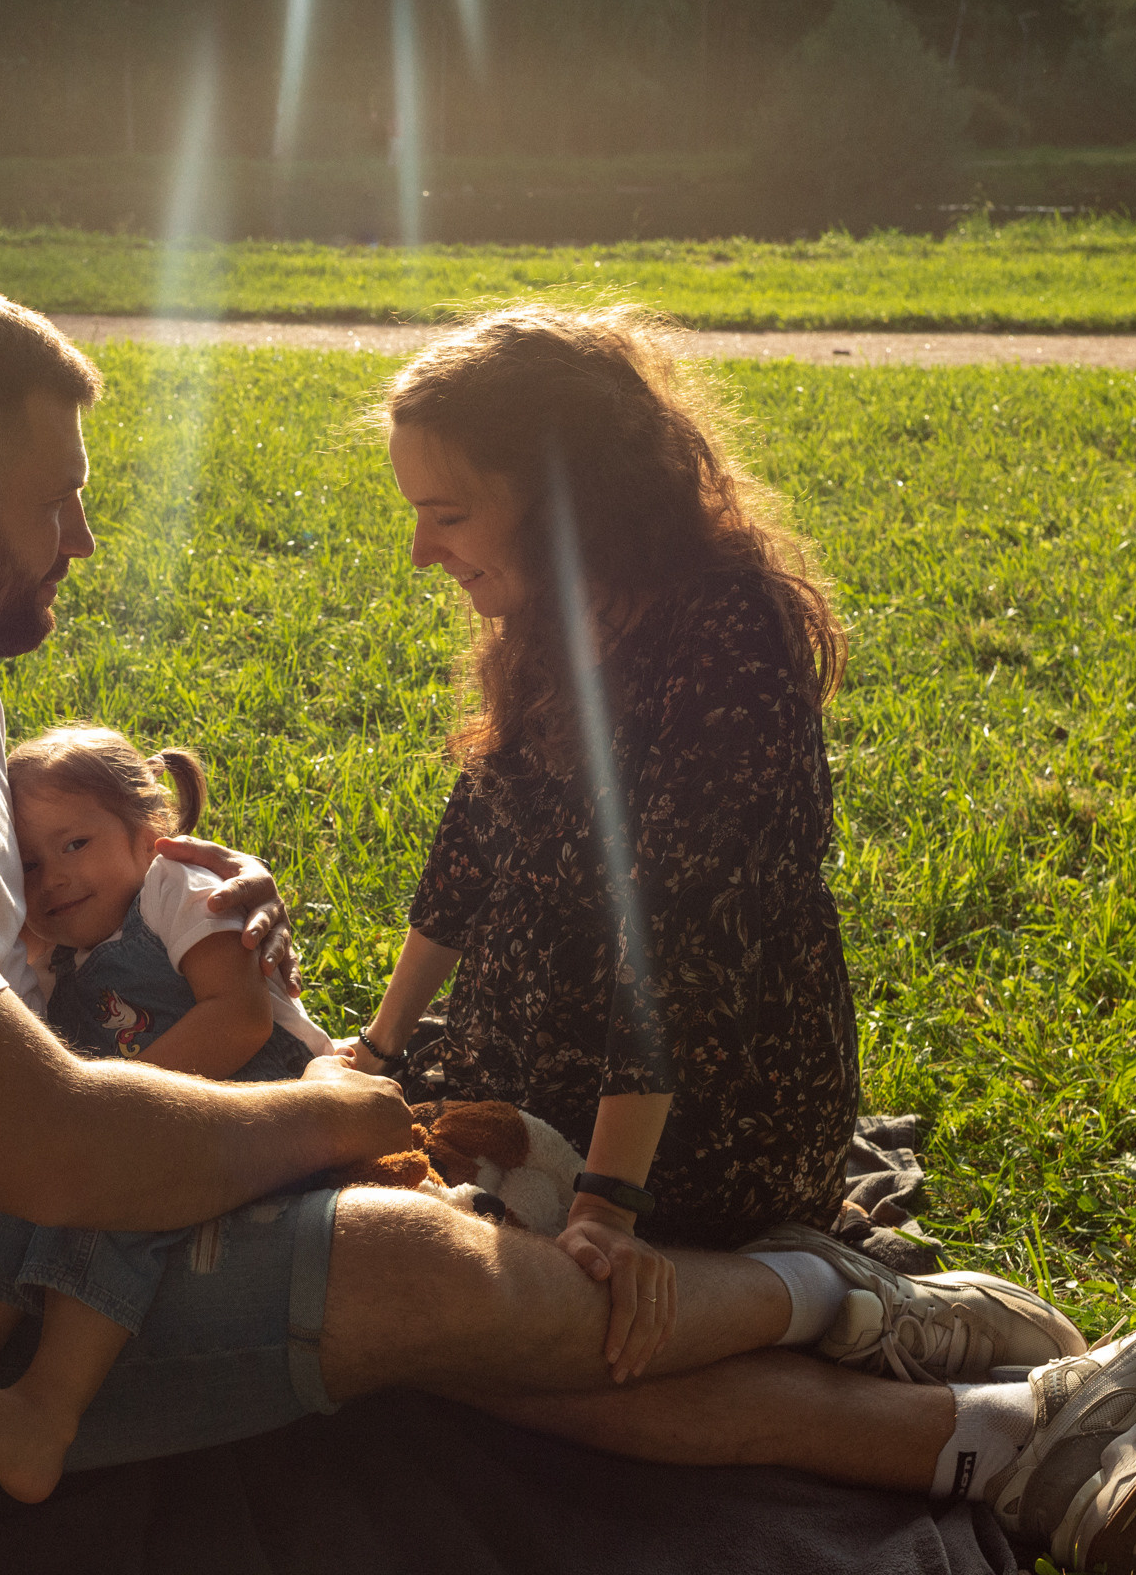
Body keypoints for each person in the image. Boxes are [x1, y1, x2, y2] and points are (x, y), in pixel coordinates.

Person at [0, 275, 1136, 1575]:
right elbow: (60, 1153)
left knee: (418, 1239)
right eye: (57, 505)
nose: (84, 541)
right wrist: (328, 1111)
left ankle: (978, 1435)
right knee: (425, 1264)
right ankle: (932, 1370)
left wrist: (159, 878)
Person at [346, 301, 859, 1334]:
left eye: (448, 515)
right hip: (537, 1078)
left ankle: (831, 1300)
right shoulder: (548, 606)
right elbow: (474, 839)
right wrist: (380, 1048)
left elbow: (684, 944)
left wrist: (607, 1206)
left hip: (697, 1116)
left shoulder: (729, 636)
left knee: (520, 1311)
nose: (420, 552)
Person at [0, 724, 336, 1503]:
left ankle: (45, 1411)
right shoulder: (58, 957)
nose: (54, 878)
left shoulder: (177, 889)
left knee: (117, 1200)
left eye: (75, 844)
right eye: (28, 865)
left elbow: (239, 1019)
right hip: (157, 1118)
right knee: (4, 1179)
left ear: (150, 832)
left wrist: (110, 1118)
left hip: (267, 1110)